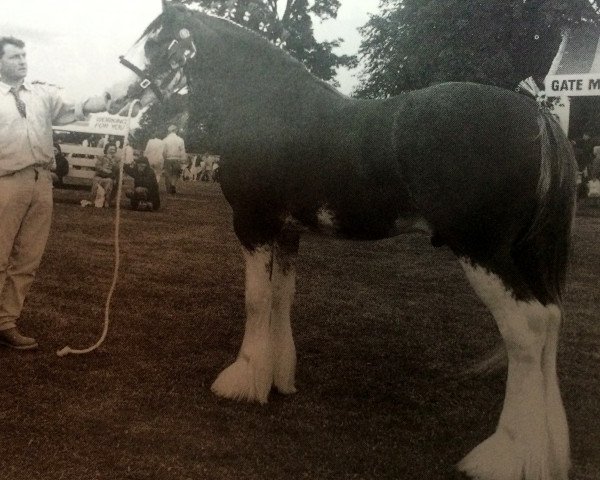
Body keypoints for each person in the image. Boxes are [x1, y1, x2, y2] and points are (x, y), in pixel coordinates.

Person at [0, 36, 107, 349]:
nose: (22, 60)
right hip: (6, 181)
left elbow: (76, 108)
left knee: (28, 259)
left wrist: (108, 98)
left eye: (24, 55)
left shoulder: (41, 94)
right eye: (14, 56)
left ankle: (6, 322)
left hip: (41, 182)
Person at [162, 124, 186, 194]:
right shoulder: (180, 139)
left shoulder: (165, 140)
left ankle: (169, 188)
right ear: (175, 131)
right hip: (177, 158)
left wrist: (164, 158)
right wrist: (183, 160)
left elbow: (164, 151)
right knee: (175, 173)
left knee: (168, 173)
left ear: (169, 131)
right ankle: (173, 185)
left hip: (168, 158)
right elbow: (182, 151)